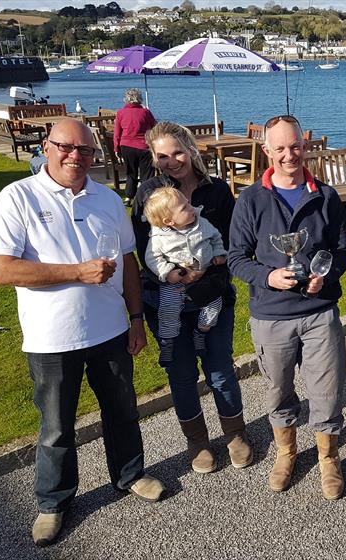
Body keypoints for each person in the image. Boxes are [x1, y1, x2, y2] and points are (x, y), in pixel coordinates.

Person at [0, 119, 165, 547]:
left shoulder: (106, 199)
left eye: (85, 151)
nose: (75, 157)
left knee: (122, 411)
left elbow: (128, 265)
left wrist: (137, 318)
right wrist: (75, 273)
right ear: (46, 147)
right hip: (51, 337)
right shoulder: (18, 198)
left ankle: (129, 475)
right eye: (66, 147)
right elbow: (2, 270)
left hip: (109, 329)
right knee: (56, 426)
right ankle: (53, 502)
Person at [229, 115, 346, 500]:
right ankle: (286, 452)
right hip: (272, 314)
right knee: (278, 390)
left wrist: (326, 276)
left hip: (318, 311)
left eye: (295, 146)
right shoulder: (251, 199)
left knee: (327, 390)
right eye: (279, 148)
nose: (289, 155)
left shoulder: (326, 196)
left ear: (305, 145)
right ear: (266, 150)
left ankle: (328, 458)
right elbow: (235, 257)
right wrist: (267, 277)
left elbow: (344, 251)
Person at [132, 122, 252, 475]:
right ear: (154, 160)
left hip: (212, 297)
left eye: (177, 152)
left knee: (220, 371)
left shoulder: (215, 192)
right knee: (182, 375)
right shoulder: (150, 194)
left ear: (191, 148)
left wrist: (210, 272)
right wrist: (176, 274)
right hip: (167, 301)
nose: (171, 162)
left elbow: (233, 244)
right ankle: (197, 440)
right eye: (162, 157)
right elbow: (145, 250)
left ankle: (234, 433)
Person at [143, 186, 227, 363]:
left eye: (188, 203)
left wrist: (219, 253)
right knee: (168, 311)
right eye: (184, 208)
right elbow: (152, 259)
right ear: (169, 221)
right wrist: (167, 272)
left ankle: (201, 331)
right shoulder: (159, 238)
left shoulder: (201, 223)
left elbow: (216, 237)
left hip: (202, 278)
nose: (191, 208)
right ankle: (167, 343)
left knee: (214, 304)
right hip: (175, 282)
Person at [114, 88, 156, 205]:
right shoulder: (145, 112)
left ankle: (128, 197)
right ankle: (146, 197)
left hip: (127, 146)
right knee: (146, 174)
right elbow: (154, 127)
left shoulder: (121, 113)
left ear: (126, 99)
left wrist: (116, 148)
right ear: (139, 99)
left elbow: (117, 133)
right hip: (144, 146)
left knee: (131, 173)